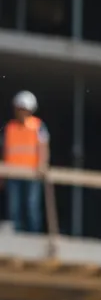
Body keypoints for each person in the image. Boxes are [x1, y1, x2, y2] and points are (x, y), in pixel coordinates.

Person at [2, 91, 49, 234]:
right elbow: (5, 150)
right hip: (13, 173)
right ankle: (15, 236)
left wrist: (42, 165)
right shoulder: (9, 128)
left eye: (24, 109)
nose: (21, 112)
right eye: (19, 109)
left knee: (31, 206)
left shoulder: (38, 126)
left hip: (32, 173)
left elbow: (43, 146)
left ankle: (33, 236)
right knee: (13, 207)